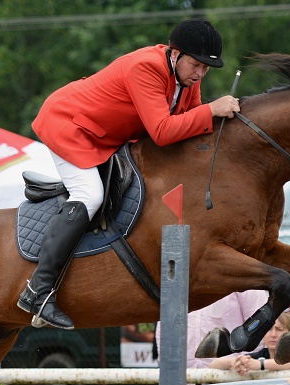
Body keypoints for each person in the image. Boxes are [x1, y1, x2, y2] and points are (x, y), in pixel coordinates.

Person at [19, 19, 239, 329]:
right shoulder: (145, 67)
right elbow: (163, 132)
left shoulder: (187, 77)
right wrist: (212, 110)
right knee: (90, 195)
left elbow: (190, 121)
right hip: (69, 125)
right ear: (176, 54)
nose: (200, 73)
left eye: (206, 68)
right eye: (196, 65)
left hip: (106, 136)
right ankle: (38, 291)